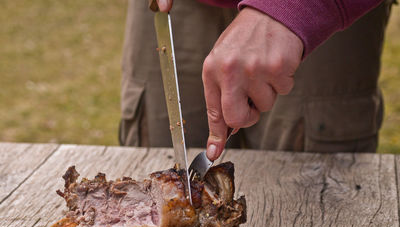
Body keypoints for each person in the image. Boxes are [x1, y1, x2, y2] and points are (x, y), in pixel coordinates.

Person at [119, 0, 394, 160]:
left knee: (314, 185)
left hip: (318, 16)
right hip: (176, 8)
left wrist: (294, 7)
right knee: (154, 169)